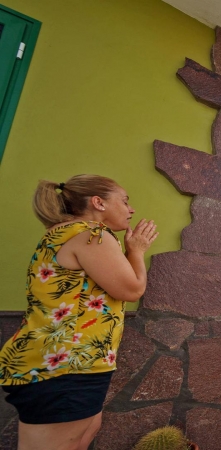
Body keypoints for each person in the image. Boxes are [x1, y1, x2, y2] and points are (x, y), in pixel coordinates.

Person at [0, 174, 158, 450]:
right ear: (98, 202)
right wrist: (137, 250)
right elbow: (131, 290)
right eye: (124, 201)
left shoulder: (65, 233)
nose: (130, 209)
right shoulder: (91, 234)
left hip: (68, 364)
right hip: (64, 367)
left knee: (86, 431)